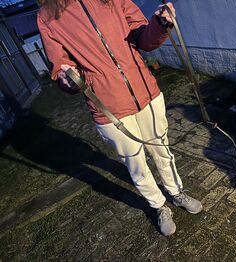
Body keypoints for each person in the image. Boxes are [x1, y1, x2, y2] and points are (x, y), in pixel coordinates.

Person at [37, 0, 202, 236]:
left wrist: (160, 24)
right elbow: (60, 67)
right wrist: (67, 79)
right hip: (108, 108)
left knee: (161, 149)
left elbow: (143, 38)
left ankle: (176, 192)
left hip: (147, 94)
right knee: (136, 163)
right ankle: (158, 205)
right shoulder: (47, 16)